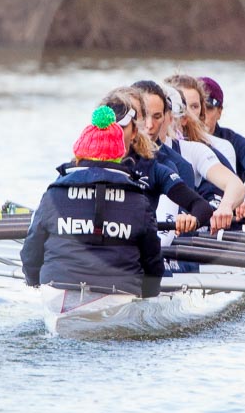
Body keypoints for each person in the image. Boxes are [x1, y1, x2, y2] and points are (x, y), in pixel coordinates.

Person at [20, 103, 166, 306]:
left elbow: (31, 251)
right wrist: (148, 295)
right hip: (121, 292)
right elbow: (153, 261)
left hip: (56, 287)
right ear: (119, 155)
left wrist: (33, 282)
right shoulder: (138, 200)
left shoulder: (53, 194)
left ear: (80, 154)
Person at [166, 73, 245, 230]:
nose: (188, 114)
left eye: (195, 106)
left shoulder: (224, 146)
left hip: (215, 225)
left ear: (217, 111)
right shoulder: (161, 148)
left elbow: (241, 187)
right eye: (183, 107)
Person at [129, 79, 240, 235]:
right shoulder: (107, 155)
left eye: (156, 116)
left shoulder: (177, 163)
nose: (149, 125)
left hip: (169, 246)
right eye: (144, 116)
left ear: (168, 116)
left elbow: (235, 186)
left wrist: (225, 206)